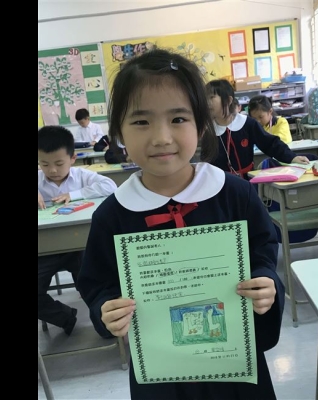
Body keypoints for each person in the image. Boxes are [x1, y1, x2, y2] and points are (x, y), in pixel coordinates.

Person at [77, 48, 286, 400]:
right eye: (141, 122)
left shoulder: (234, 194)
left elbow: (263, 247)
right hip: (161, 371)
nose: (161, 137)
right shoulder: (112, 215)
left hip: (233, 362)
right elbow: (97, 282)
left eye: (178, 118)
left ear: (201, 125)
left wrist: (266, 281)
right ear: (119, 132)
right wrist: (105, 309)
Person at [38, 125, 117, 335]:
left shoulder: (81, 176)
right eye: (44, 164)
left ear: (72, 158)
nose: (52, 170)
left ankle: (106, 327)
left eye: (59, 163)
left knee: (94, 285)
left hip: (82, 245)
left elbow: (110, 186)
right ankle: (65, 316)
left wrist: (73, 195)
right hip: (46, 250)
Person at [205, 79, 308, 179]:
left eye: (211, 97)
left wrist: (292, 157)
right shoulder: (208, 130)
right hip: (221, 183)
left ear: (228, 100)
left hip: (247, 181)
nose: (207, 102)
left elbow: (270, 143)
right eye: (205, 98)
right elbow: (206, 161)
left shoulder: (247, 123)